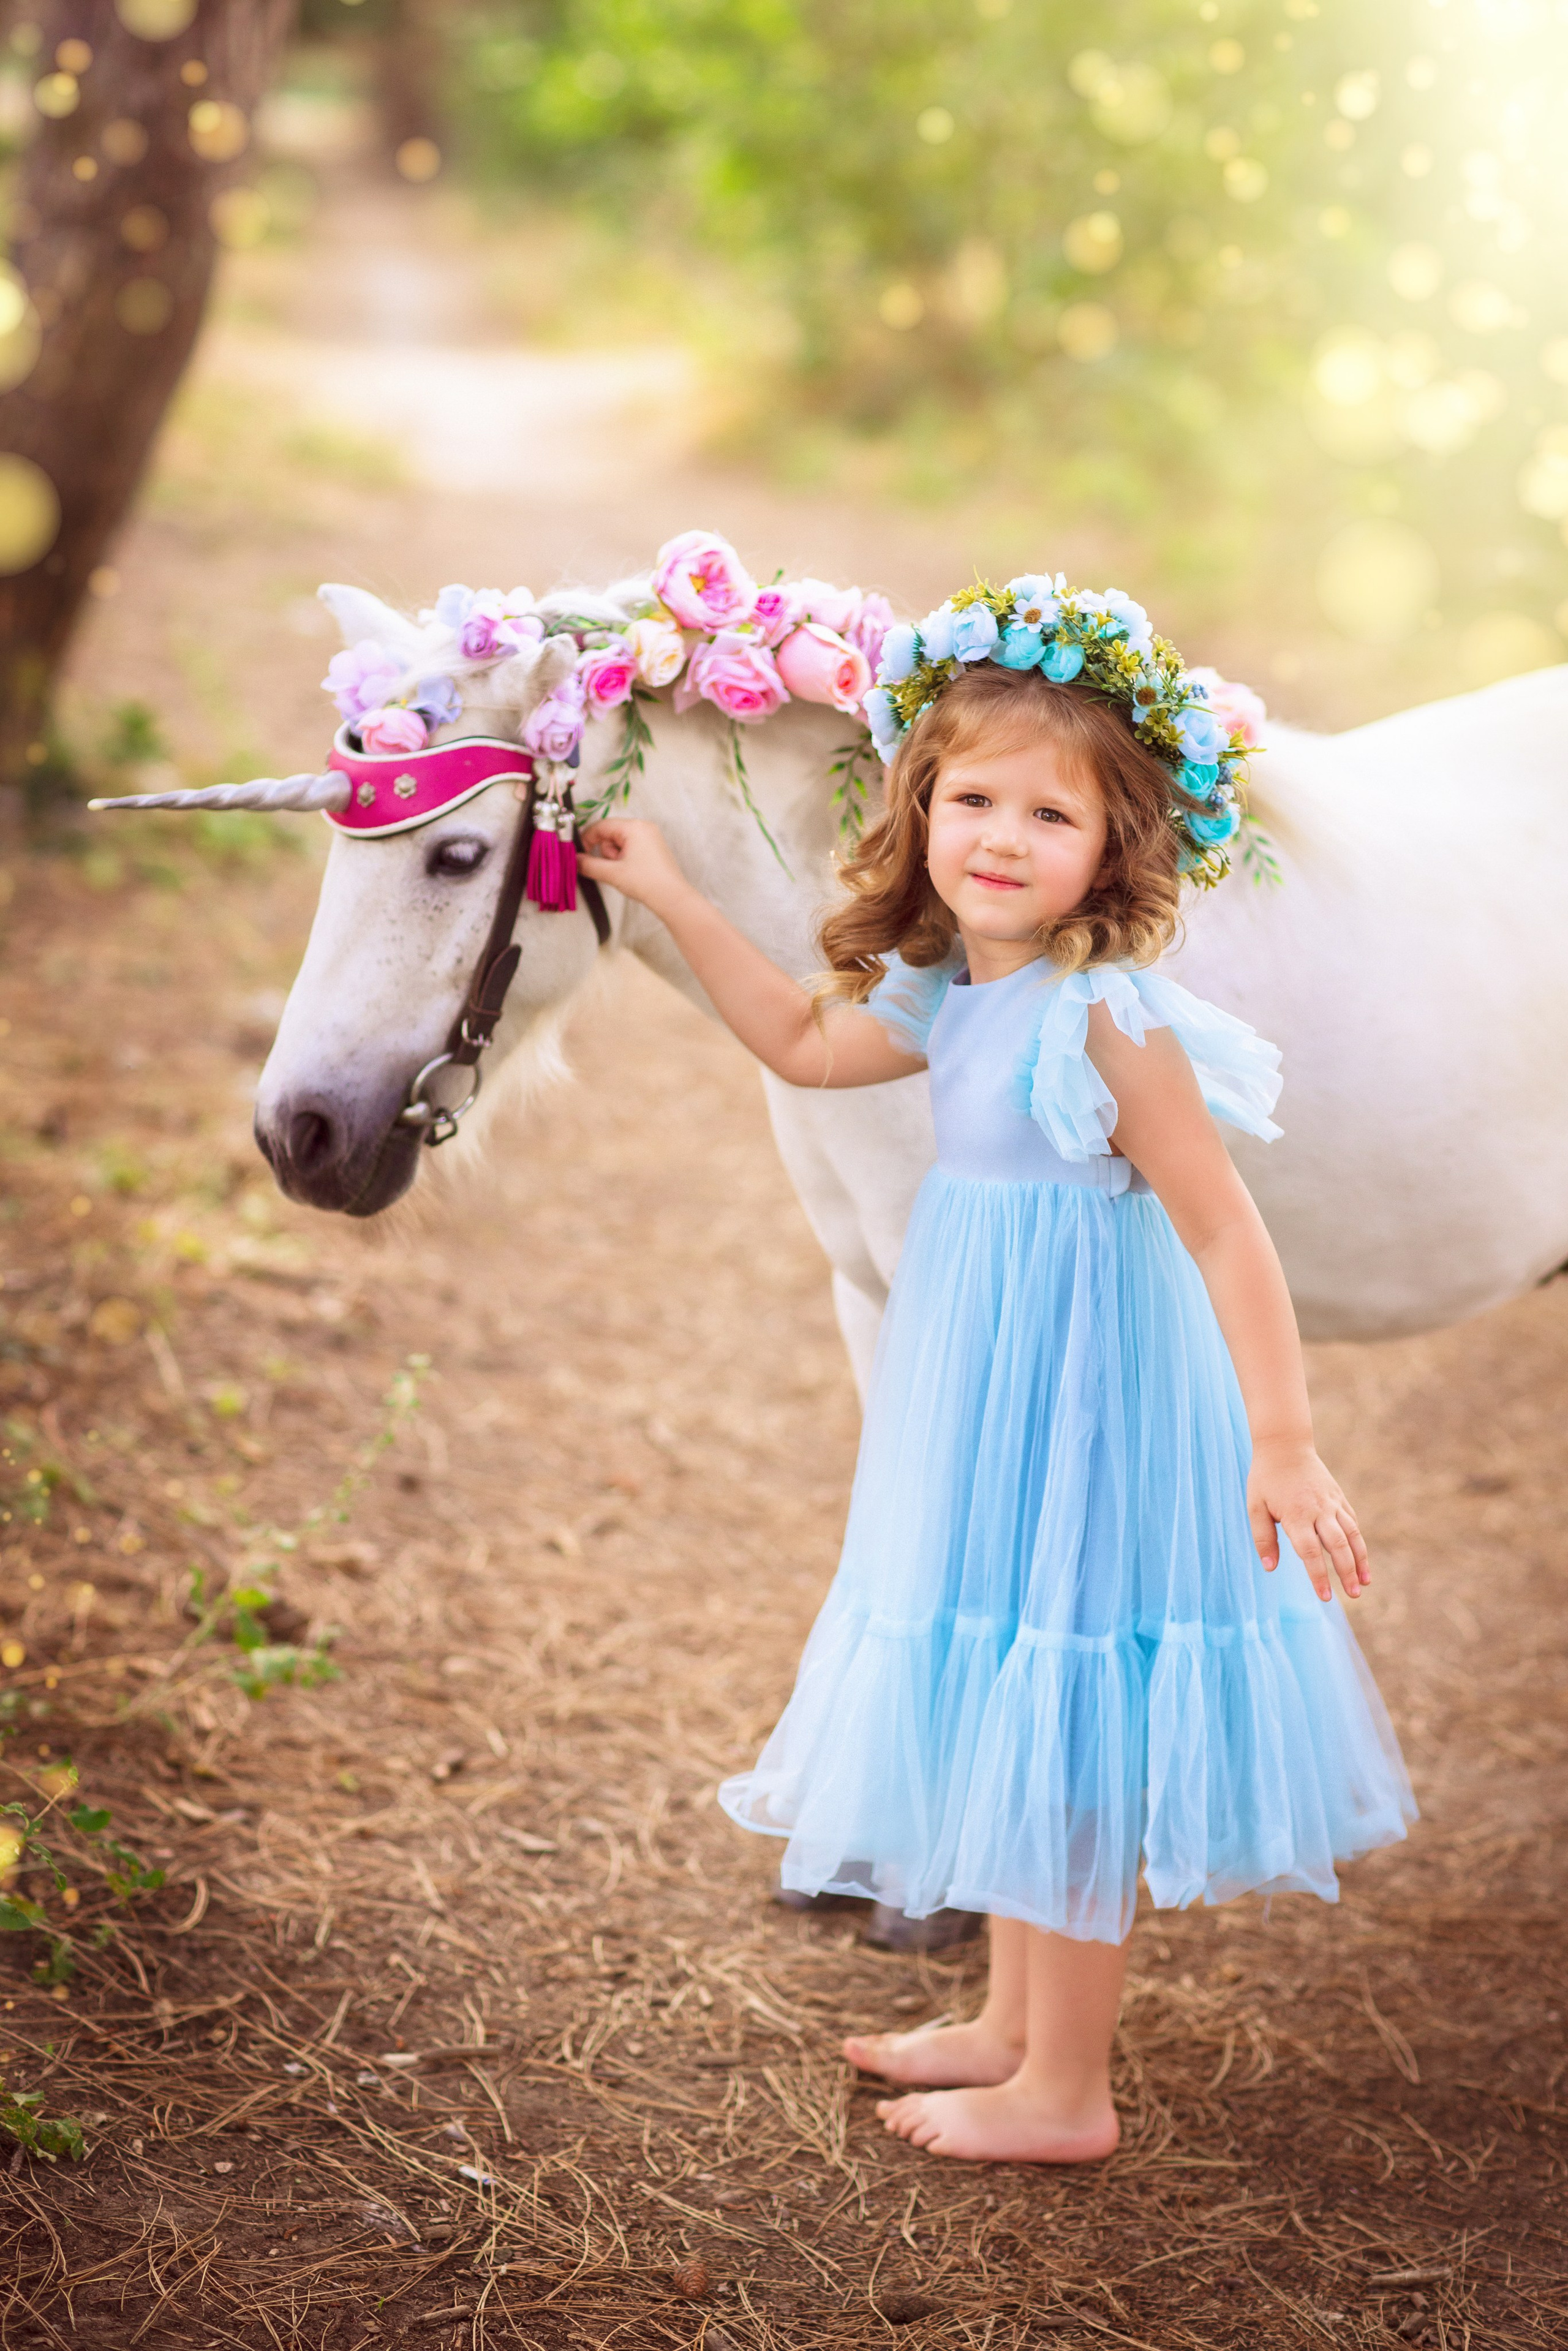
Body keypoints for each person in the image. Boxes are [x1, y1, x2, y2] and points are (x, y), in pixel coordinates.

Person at [578, 575, 1414, 2164]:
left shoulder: (1107, 1018)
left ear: (1115, 849)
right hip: (989, 1382)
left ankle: (1068, 2090)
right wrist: (679, 901)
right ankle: (1010, 2029)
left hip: (1093, 1394)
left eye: (1052, 814)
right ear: (922, 806)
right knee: (1015, 1683)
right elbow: (807, 1046)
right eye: (975, 800)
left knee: (1072, 1703)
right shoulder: (958, 989)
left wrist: (1285, 1442)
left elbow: (1228, 1232)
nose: (1004, 839)